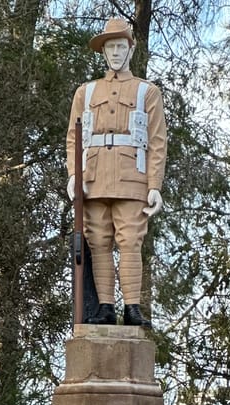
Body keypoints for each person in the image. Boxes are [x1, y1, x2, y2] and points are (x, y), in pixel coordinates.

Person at [66, 17, 166, 328]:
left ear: (131, 49)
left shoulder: (147, 91)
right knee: (98, 242)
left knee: (130, 241)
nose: (116, 53)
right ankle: (106, 307)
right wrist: (74, 175)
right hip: (93, 179)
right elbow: (73, 137)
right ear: (103, 52)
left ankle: (132, 308)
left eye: (121, 46)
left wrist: (154, 184)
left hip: (132, 178)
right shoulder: (85, 92)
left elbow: (157, 141)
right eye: (111, 47)